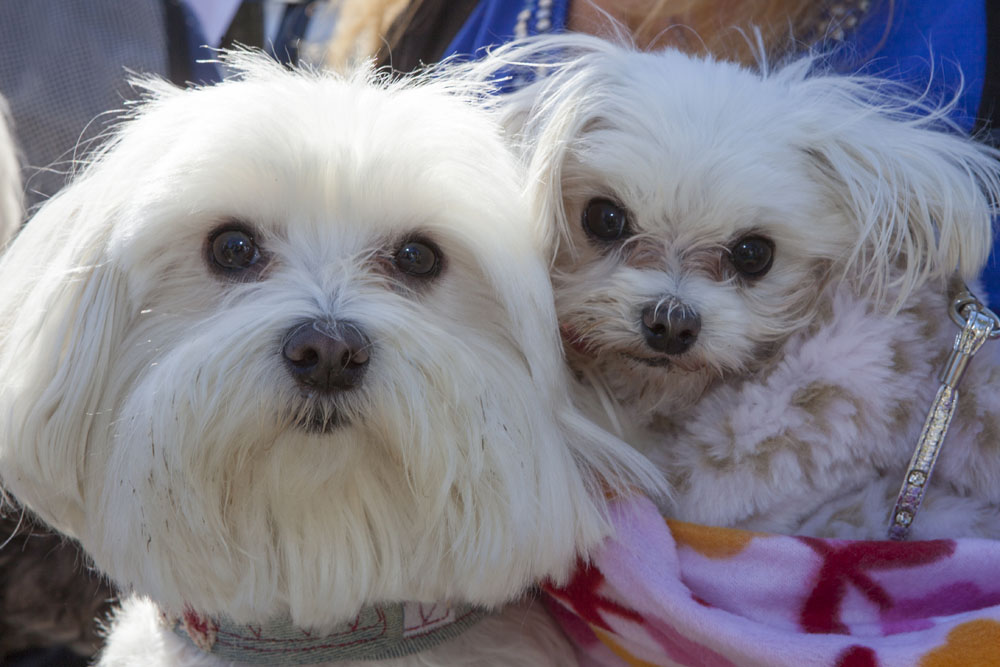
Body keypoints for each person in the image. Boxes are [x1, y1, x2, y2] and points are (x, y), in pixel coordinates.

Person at [327, 0, 1000, 306]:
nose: (670, 309)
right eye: (608, 224)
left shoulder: (946, 35)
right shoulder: (424, 16)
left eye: (747, 258)